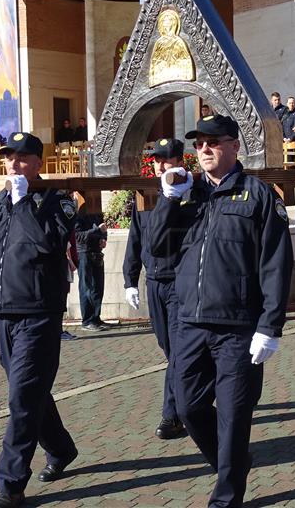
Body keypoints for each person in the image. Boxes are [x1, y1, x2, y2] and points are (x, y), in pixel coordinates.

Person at [147, 115, 293, 507]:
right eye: (199, 144)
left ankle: (226, 496)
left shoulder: (258, 196)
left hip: (238, 327)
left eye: (213, 142)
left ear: (234, 146)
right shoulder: (187, 192)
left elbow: (277, 264)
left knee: (233, 416)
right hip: (190, 322)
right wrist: (167, 201)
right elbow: (158, 248)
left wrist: (270, 326)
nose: (205, 150)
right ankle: (232, 464)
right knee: (189, 407)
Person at [0, 132, 79, 508]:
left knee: (21, 398)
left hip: (39, 315)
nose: (14, 164)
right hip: (3, 316)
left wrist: (23, 205)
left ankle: (11, 482)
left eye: (22, 158)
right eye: (9, 158)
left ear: (38, 163)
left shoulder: (56, 202)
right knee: (30, 394)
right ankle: (61, 448)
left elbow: (48, 244)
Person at [123, 138, 187, 440]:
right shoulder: (146, 195)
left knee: (177, 351)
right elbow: (136, 239)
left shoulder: (189, 194)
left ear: (179, 161)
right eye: (157, 160)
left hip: (179, 282)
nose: (161, 165)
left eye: (167, 160)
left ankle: (171, 415)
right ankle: (192, 392)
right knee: (167, 347)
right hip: (154, 283)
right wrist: (129, 279)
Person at [74, 201, 109, 331]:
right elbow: (78, 236)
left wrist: (103, 238)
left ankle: (96, 318)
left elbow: (103, 229)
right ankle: (87, 320)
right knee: (86, 286)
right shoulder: (79, 214)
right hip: (84, 253)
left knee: (98, 286)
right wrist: (97, 230)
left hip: (96, 252)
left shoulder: (97, 212)